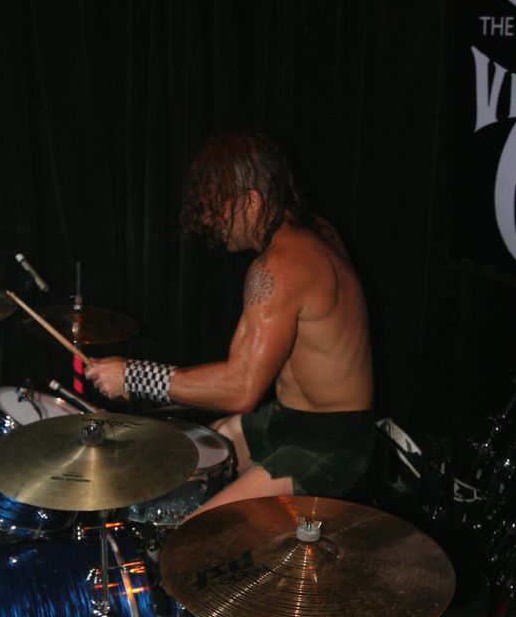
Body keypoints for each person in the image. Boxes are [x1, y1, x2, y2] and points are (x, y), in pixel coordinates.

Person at [85, 132, 373, 512]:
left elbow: (241, 390)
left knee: (197, 533)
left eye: (216, 208)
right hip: (289, 418)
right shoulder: (315, 232)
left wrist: (134, 376)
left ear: (252, 201)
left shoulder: (281, 266)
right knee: (189, 452)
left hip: (327, 445)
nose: (209, 220)